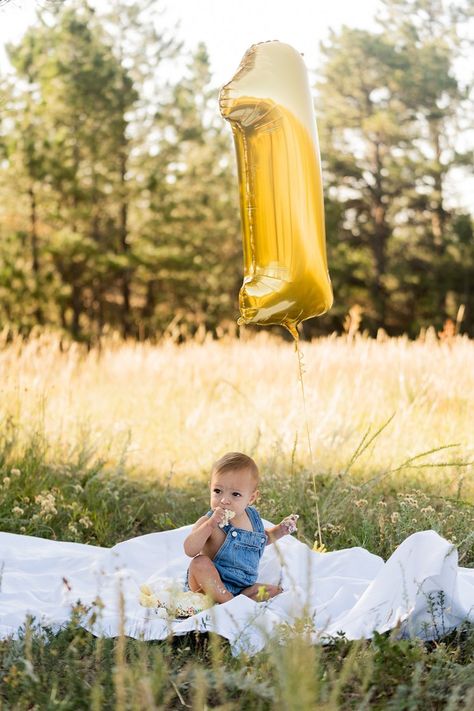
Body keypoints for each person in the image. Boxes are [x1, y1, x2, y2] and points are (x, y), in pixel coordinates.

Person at [183, 451, 299, 603]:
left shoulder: (253, 518)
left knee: (275, 591)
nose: (224, 500)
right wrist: (210, 525)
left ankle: (235, 601)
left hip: (242, 588)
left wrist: (279, 530)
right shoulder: (208, 521)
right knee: (199, 563)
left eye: (235, 494)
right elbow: (189, 549)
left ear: (251, 498)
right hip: (208, 585)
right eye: (217, 491)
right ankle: (230, 603)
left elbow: (260, 540)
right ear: (210, 488)